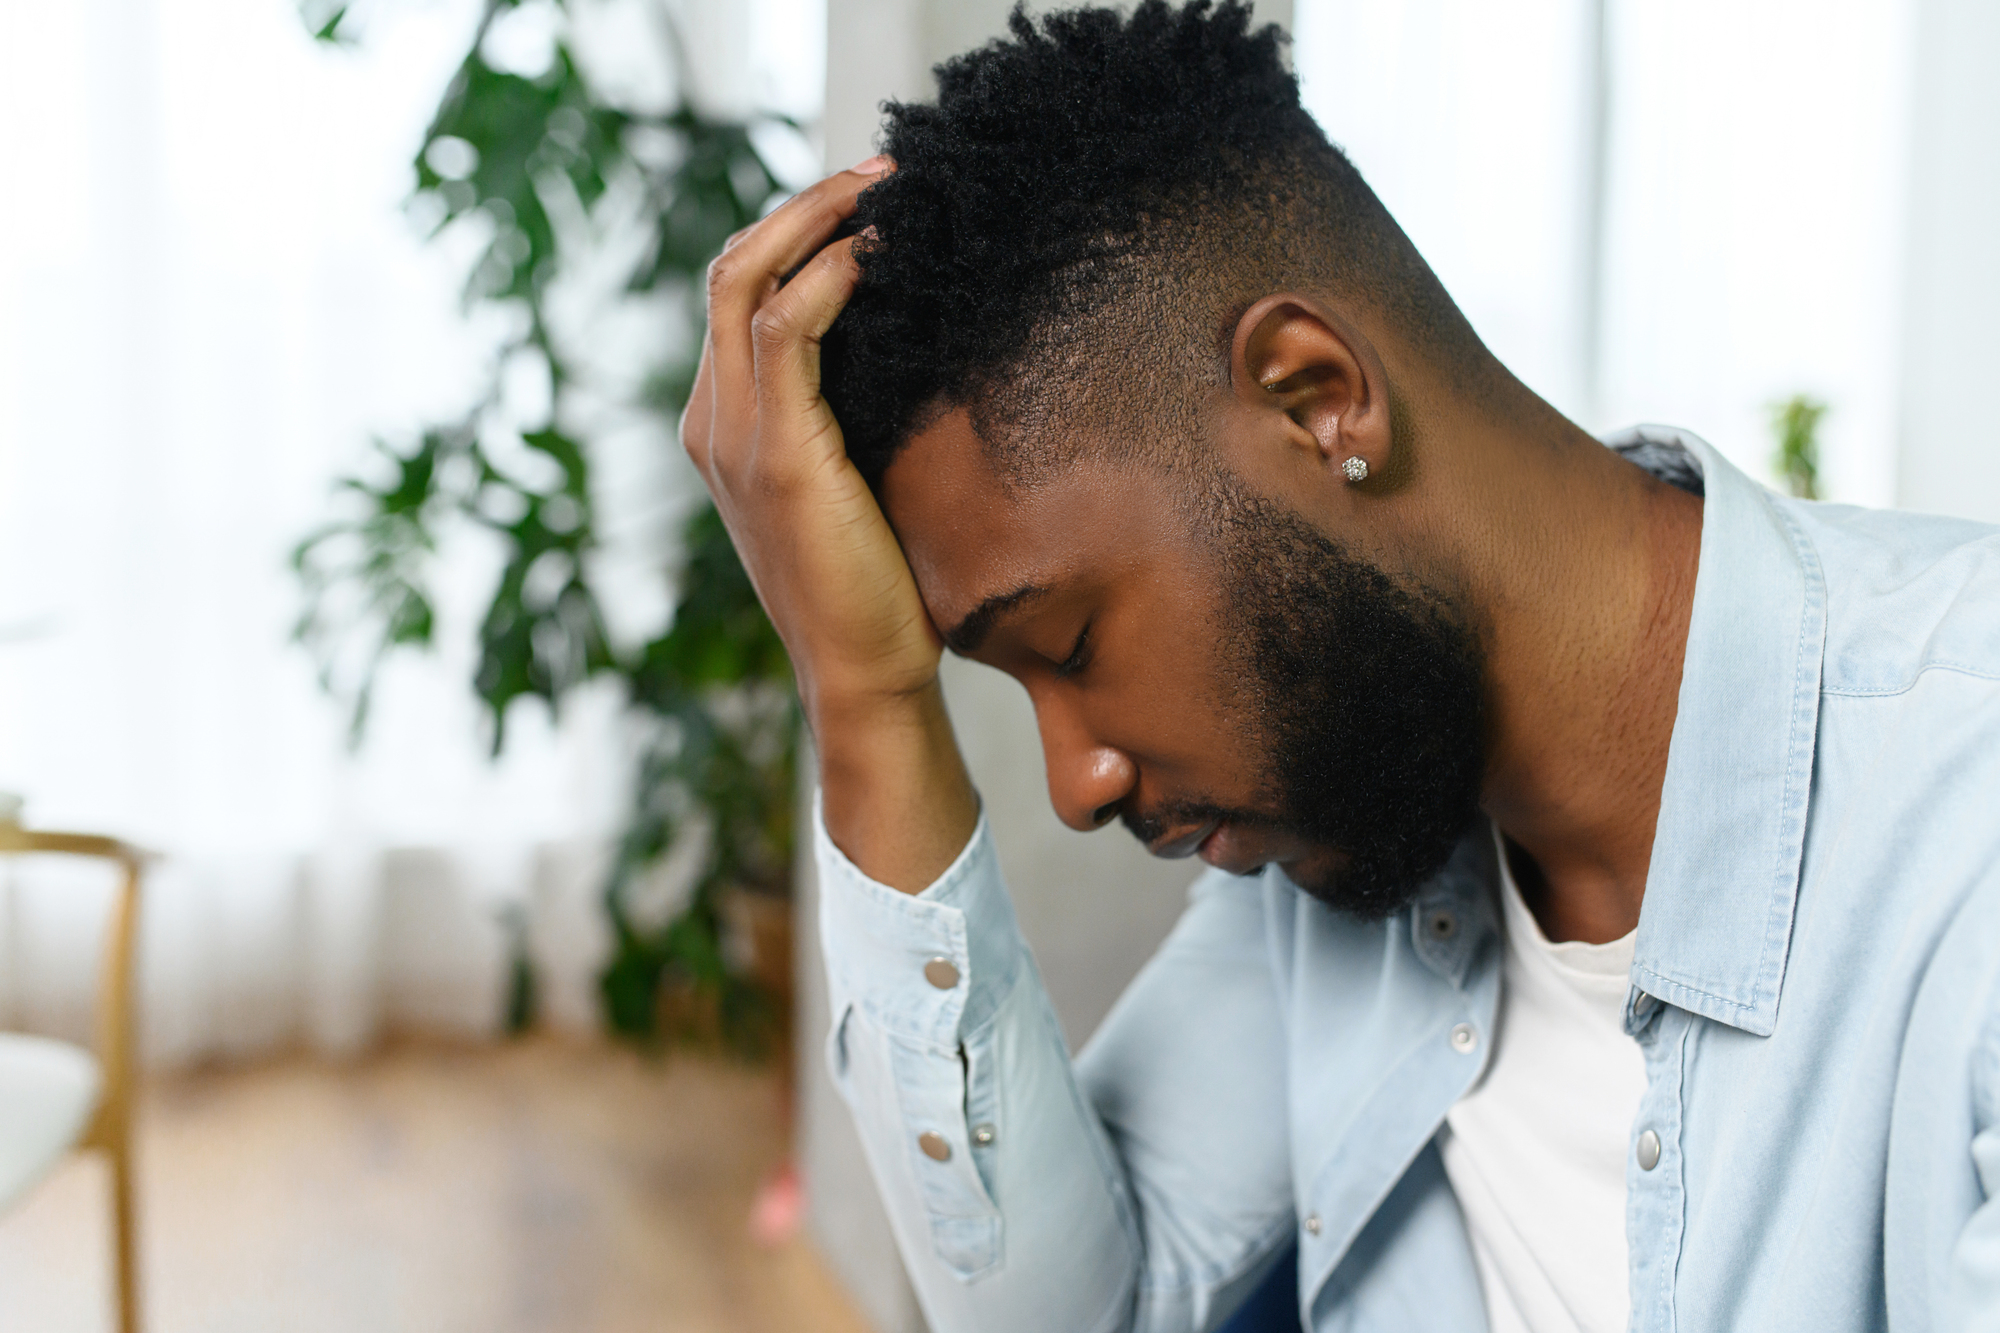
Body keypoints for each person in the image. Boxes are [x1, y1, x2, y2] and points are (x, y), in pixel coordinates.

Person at [678, 3, 2000, 1329]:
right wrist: (865, 703)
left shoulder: (1959, 834)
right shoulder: (1348, 826)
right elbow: (1073, 1309)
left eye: (1072, 642)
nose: (1077, 780)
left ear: (1319, 400)